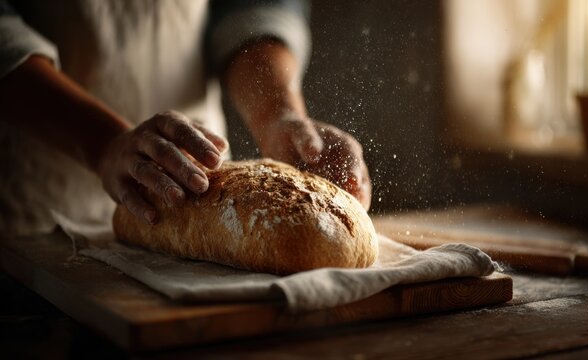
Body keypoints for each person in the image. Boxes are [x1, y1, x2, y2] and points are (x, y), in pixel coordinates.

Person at [0, 0, 371, 236]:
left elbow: (250, 7)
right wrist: (105, 144)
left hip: (193, 180)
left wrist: (277, 113)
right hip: (36, 213)